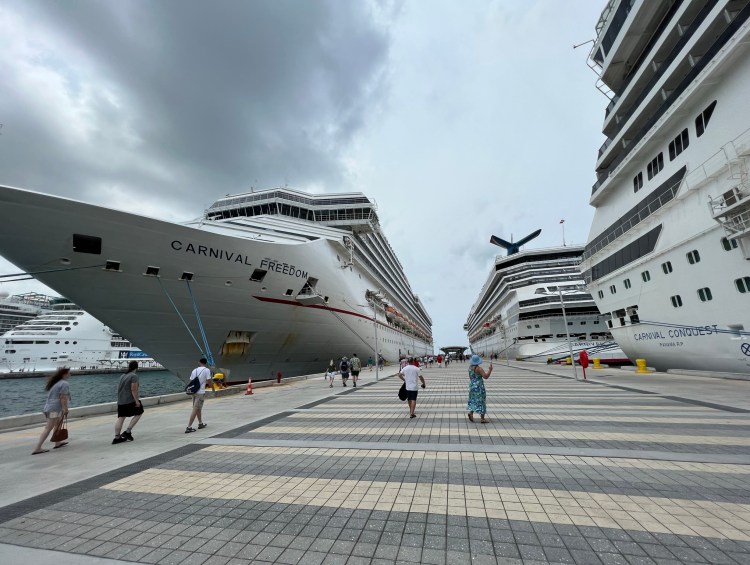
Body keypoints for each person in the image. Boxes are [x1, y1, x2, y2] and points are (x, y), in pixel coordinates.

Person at [32, 367, 71, 454]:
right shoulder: (64, 383)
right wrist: (65, 408)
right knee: (48, 428)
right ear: (64, 374)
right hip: (54, 409)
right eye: (69, 373)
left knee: (57, 425)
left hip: (50, 407)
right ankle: (37, 448)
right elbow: (63, 397)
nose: (70, 374)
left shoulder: (56, 383)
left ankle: (57, 442)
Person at [113, 361, 143, 444]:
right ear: (137, 367)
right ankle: (128, 431)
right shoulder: (134, 376)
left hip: (121, 400)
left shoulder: (123, 375)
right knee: (139, 412)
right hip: (129, 400)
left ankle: (117, 437)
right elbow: (133, 389)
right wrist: (136, 401)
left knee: (121, 417)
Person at [186, 357, 211, 433]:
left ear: (199, 362)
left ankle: (200, 423)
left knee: (198, 408)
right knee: (195, 409)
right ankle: (189, 427)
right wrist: (212, 386)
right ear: (206, 363)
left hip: (194, 392)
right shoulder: (207, 370)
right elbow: (209, 380)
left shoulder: (194, 370)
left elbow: (191, 381)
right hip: (200, 392)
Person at [467, 354, 492, 424]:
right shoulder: (479, 369)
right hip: (479, 387)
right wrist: (490, 370)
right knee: (481, 401)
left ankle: (471, 413)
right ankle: (482, 419)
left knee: (473, 400)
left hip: (472, 386)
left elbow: (470, 377)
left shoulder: (470, 368)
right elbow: (486, 376)